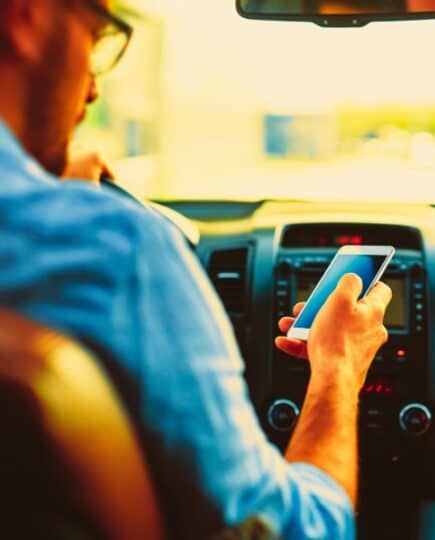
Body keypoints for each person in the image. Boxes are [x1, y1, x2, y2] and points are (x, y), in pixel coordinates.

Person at [0, 1, 392, 538]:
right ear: (27, 15)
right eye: (95, 37)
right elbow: (293, 531)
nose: (92, 89)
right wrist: (338, 370)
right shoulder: (115, 248)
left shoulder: (62, 232)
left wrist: (56, 192)